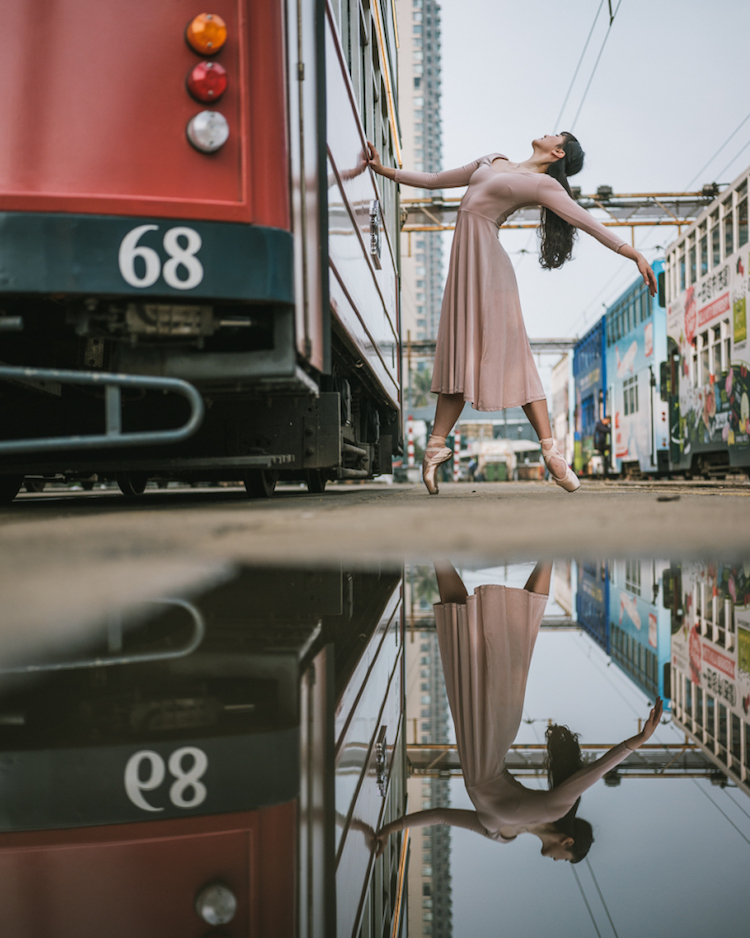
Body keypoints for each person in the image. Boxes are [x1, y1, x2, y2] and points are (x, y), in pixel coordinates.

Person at [367, 135, 657, 495]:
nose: (547, 133)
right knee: (461, 354)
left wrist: (634, 255)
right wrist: (384, 171)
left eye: (556, 135)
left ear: (558, 152)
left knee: (515, 355)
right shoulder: (494, 158)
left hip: (491, 268)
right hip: (465, 267)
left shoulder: (543, 184)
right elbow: (435, 179)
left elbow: (586, 222)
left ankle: (551, 452)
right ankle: (434, 449)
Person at [373, 561, 663, 862]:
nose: (554, 861)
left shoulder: (501, 836)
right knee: (514, 640)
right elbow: (593, 773)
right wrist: (636, 741)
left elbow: (442, 816)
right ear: (567, 842)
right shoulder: (555, 808)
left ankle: (438, 553)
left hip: (475, 744)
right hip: (491, 738)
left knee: (459, 626)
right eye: (563, 859)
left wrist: (390, 829)